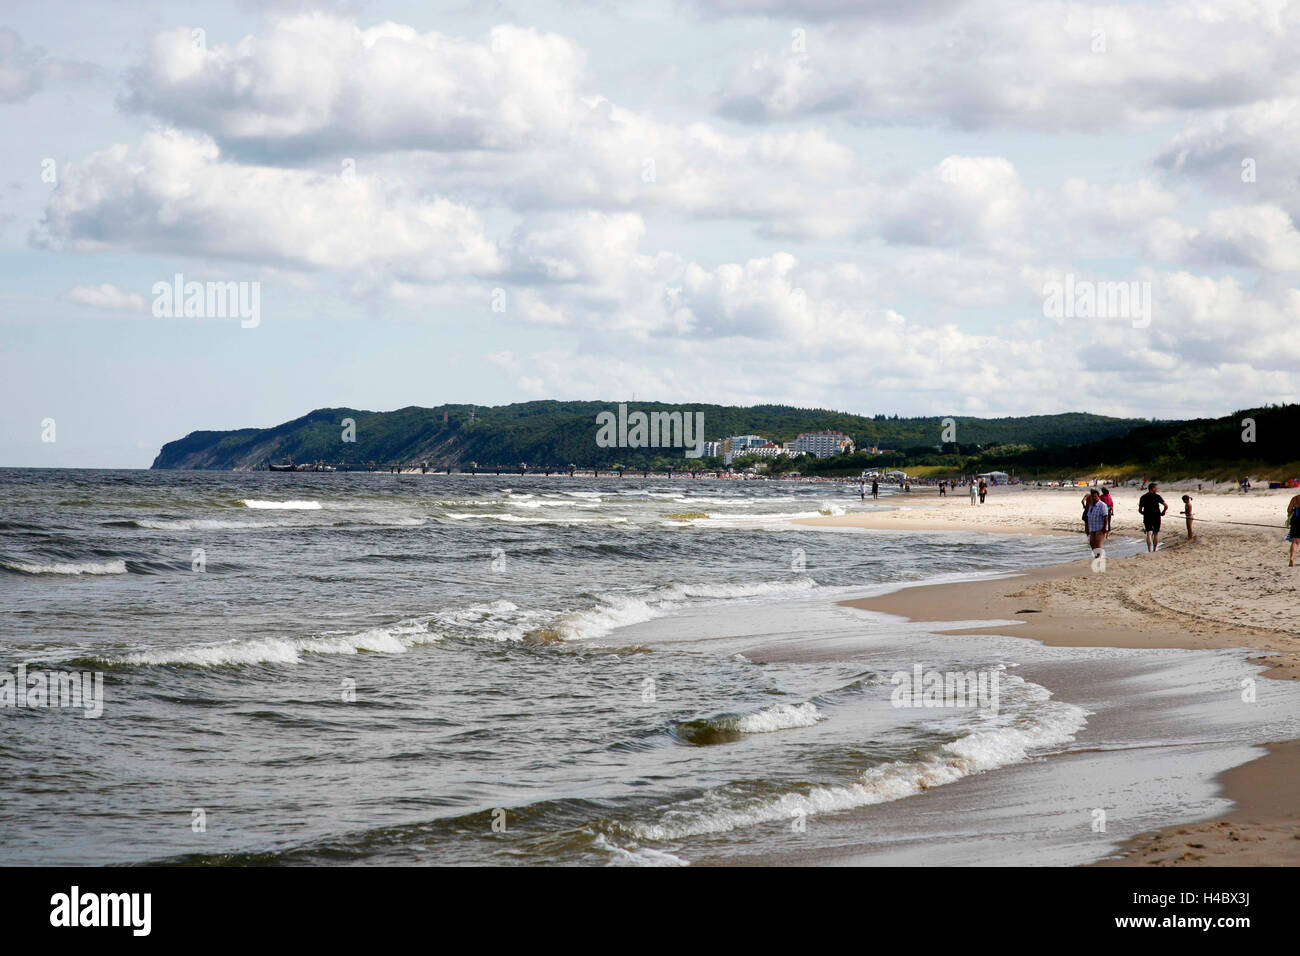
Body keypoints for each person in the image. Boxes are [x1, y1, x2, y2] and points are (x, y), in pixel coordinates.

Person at [1138, 481, 1168, 552]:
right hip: (1156, 516)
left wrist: (1144, 513)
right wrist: (1163, 512)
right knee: (1156, 533)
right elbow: (1166, 505)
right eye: (1156, 488)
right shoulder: (1157, 496)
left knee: (1149, 533)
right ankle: (1154, 550)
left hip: (1147, 516)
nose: (1157, 489)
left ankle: (1149, 550)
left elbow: (1140, 510)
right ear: (1152, 488)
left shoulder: (1143, 497)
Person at [1085, 489, 1109, 556]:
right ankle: (1097, 557)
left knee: (1098, 545)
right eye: (1092, 496)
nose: (1094, 498)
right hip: (1092, 528)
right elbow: (1088, 517)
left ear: (1098, 496)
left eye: (1095, 496)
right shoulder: (1091, 506)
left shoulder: (1102, 505)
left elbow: (1106, 517)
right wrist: (1087, 528)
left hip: (1100, 528)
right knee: (1092, 544)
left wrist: (1104, 528)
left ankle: (1099, 559)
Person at [1287, 491, 1300, 567]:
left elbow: (1289, 509)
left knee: (1295, 541)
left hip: (1296, 520)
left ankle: (1292, 558)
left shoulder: (1295, 498)